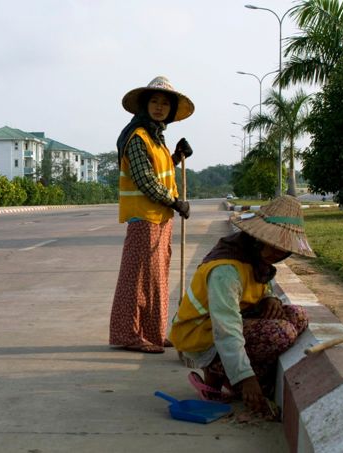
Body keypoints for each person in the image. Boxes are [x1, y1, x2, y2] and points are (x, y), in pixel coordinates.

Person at [170, 195, 316, 415]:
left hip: (231, 322)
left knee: (298, 316)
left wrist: (269, 298)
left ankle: (235, 374)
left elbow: (256, 286)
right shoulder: (225, 271)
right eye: (273, 245)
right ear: (257, 238)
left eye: (283, 249)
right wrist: (245, 378)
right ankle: (216, 372)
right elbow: (226, 328)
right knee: (280, 333)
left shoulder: (256, 260)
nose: (278, 253)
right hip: (201, 337)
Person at [109, 76, 195, 354]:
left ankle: (154, 333)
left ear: (170, 111)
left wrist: (177, 158)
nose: (159, 107)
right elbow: (145, 180)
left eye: (164, 104)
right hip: (143, 218)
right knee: (137, 279)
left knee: (157, 279)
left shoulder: (157, 140)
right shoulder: (137, 138)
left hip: (160, 218)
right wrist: (175, 202)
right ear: (144, 106)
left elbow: (159, 171)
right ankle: (128, 334)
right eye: (154, 102)